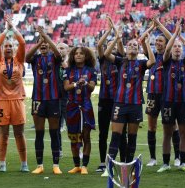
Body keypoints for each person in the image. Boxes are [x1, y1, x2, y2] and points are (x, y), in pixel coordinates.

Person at [103, 24, 155, 171]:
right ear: (126, 48)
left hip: (135, 104)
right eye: (130, 44)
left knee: (132, 137)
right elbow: (106, 54)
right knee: (116, 135)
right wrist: (117, 39)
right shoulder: (121, 61)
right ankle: (109, 167)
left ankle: (127, 166)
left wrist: (147, 43)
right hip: (120, 104)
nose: (132, 46)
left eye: (135, 45)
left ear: (138, 50)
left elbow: (153, 61)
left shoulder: (141, 63)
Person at [26, 25, 63, 175]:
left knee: (54, 132)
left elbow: (58, 53)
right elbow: (26, 57)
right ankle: (40, 165)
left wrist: (45, 37)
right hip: (38, 99)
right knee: (39, 133)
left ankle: (55, 165)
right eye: (40, 43)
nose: (43, 45)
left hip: (53, 99)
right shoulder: (35, 59)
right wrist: (39, 41)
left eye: (45, 43)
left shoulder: (54, 58)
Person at [0, 15, 29, 172]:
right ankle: (2, 163)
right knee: (4, 133)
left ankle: (24, 163)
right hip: (1, 101)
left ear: (14, 50)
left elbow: (22, 42)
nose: (8, 48)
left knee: (19, 133)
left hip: (17, 100)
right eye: (5, 46)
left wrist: (13, 29)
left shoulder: (19, 61)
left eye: (10, 46)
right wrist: (5, 30)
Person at [158, 20, 185, 172]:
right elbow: (166, 50)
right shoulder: (166, 61)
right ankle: (166, 163)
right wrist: (174, 36)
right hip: (168, 102)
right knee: (167, 133)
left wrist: (181, 38)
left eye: (179, 47)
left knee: (184, 133)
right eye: (175, 47)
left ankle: (183, 162)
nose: (177, 49)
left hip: (184, 102)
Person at [95, 17, 125, 172]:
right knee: (103, 133)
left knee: (120, 132)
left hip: (118, 101)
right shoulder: (102, 61)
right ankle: (102, 162)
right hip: (104, 101)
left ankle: (123, 161)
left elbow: (119, 46)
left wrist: (117, 36)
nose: (109, 48)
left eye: (111, 46)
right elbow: (100, 45)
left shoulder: (119, 60)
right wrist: (109, 31)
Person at [143, 17, 174, 167]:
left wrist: (160, 25)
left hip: (167, 94)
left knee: (171, 126)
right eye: (157, 41)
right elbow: (142, 40)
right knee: (152, 126)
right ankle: (153, 158)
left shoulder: (168, 55)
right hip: (152, 93)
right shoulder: (151, 55)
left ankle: (177, 158)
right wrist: (150, 29)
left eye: (161, 41)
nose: (158, 43)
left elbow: (172, 38)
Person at [63, 46, 97, 174]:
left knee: (86, 136)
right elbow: (66, 87)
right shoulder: (67, 70)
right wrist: (77, 83)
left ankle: (85, 166)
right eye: (76, 53)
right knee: (74, 137)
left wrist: (86, 83)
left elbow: (92, 88)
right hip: (72, 106)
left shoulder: (91, 71)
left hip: (86, 106)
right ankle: (76, 165)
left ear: (86, 56)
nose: (78, 55)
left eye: (81, 53)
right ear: (72, 56)